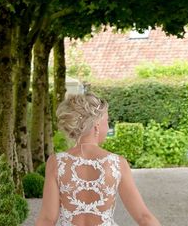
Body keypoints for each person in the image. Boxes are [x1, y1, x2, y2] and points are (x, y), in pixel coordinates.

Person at [36, 93, 160, 226]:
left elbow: (47, 219)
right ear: (97, 124)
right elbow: (143, 217)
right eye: (107, 121)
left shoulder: (57, 162)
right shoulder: (117, 163)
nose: (107, 127)